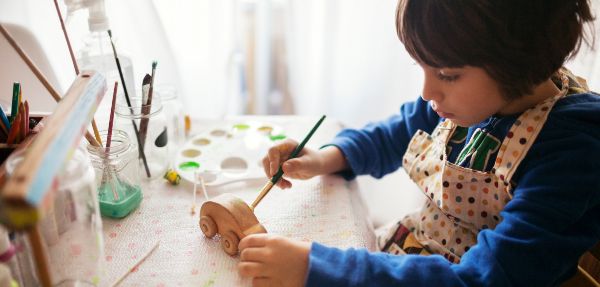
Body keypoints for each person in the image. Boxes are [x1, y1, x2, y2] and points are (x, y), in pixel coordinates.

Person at [237, 0, 600, 286]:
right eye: (422, 69)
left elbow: (485, 280)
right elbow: (396, 133)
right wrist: (324, 159)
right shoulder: (472, 100)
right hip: (413, 257)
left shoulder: (570, 153)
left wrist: (315, 268)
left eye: (446, 74)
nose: (427, 92)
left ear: (521, 60)